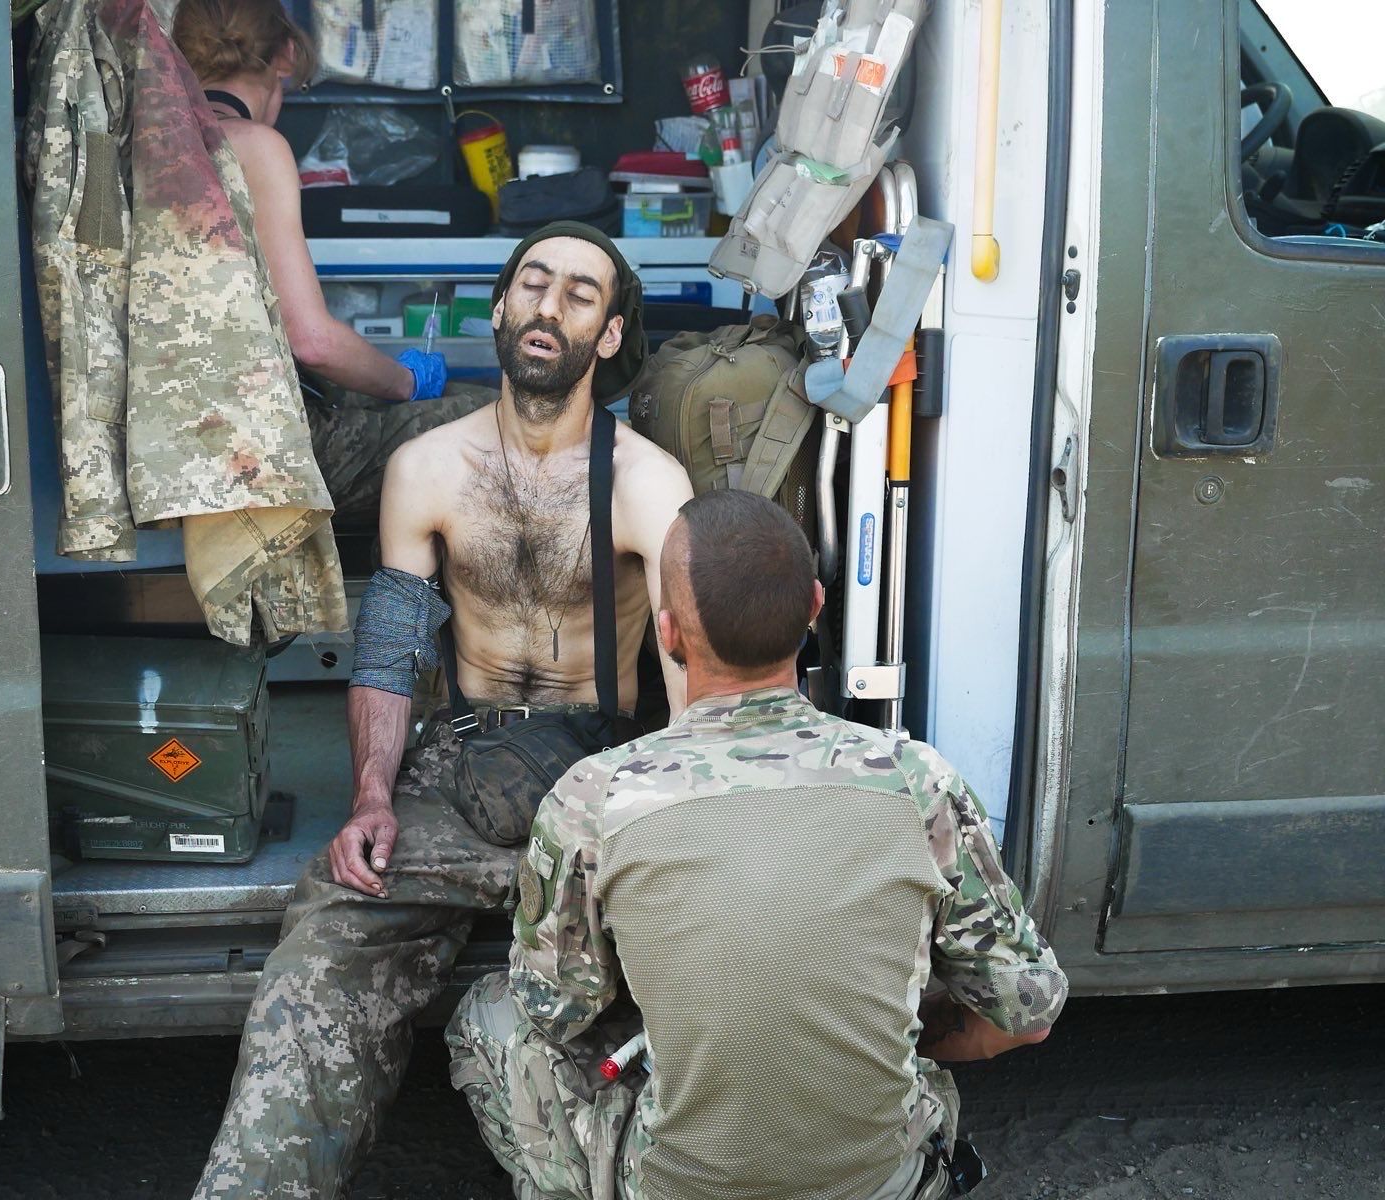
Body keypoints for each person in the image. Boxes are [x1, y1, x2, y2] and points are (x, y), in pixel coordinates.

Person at [193, 223, 696, 1198]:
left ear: (607, 334)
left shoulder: (647, 482)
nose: (548, 307)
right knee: (331, 937)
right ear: (501, 307)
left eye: (578, 295)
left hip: (602, 790)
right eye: (532, 284)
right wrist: (372, 800)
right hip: (457, 779)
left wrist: (668, 844)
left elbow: (688, 691)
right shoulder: (424, 467)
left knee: (680, 993)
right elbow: (390, 646)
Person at [446, 489, 1069, 1200]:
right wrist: (902, 1041)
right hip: (884, 1184)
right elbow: (1027, 1015)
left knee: (489, 1013)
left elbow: (556, 1007)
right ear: (814, 605)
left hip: (676, 1186)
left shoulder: (596, 795)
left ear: (671, 634)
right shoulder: (917, 781)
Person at [172, 0, 488, 522]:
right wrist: (408, 382)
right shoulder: (255, 145)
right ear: (287, 55)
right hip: (257, 450)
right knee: (502, 422)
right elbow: (312, 341)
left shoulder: (152, 144)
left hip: (176, 440)